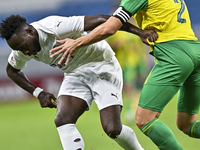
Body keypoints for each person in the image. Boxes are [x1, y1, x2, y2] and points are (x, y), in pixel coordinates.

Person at [49, 0, 200, 149]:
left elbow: (110, 28)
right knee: (187, 125)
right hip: (195, 51)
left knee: (144, 120)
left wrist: (76, 43)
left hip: (174, 56)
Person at [0, 14, 157, 150]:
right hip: (74, 74)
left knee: (112, 129)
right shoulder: (21, 49)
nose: (25, 52)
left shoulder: (53, 27)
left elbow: (104, 20)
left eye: (23, 47)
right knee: (62, 120)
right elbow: (12, 71)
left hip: (102, 65)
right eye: (19, 50)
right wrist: (38, 93)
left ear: (30, 31)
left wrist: (140, 32)